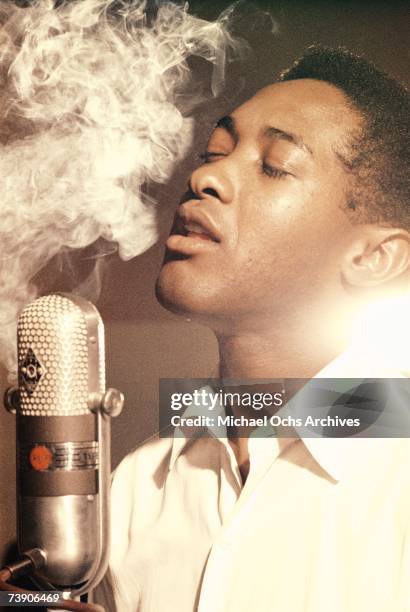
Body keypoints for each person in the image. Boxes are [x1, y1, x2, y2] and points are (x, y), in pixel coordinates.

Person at [94, 46, 410, 612]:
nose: (207, 175)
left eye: (274, 165)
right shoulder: (137, 487)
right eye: (214, 151)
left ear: (372, 258)